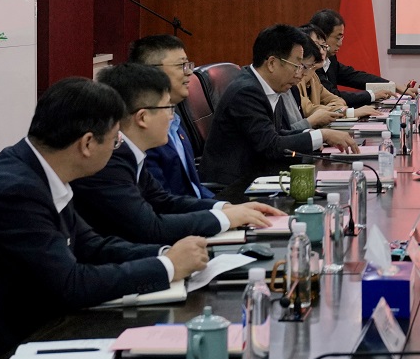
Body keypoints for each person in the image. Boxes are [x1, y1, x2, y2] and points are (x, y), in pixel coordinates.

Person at [0, 78, 210, 359]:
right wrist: (167, 267)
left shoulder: (40, 168)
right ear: (88, 143)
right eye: (115, 140)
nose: (117, 148)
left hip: (37, 328)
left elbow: (90, 245)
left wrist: (165, 254)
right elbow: (72, 284)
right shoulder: (16, 190)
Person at [73, 65, 284, 244]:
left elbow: (164, 201)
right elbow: (150, 227)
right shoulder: (111, 160)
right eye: (168, 108)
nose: (172, 117)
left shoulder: (130, 153)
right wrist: (226, 219)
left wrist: (227, 208)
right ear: (143, 117)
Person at [201, 24, 358, 200]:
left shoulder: (272, 87)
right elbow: (271, 145)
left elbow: (277, 134)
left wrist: (317, 135)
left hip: (260, 176)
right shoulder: (246, 92)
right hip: (234, 188)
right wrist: (321, 135)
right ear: (272, 63)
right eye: (296, 65)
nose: (299, 74)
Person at [128, 33, 212, 199]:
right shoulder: (145, 133)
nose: (189, 72)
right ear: (152, 72)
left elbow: (194, 189)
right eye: (181, 66)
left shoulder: (174, 119)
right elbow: (164, 202)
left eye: (188, 65)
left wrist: (224, 206)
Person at [308, 9, 396, 109]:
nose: (340, 44)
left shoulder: (331, 59)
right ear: (321, 36)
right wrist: (372, 95)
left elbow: (353, 76)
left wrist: (391, 85)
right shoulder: (311, 66)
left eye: (342, 38)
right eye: (337, 38)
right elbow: (332, 95)